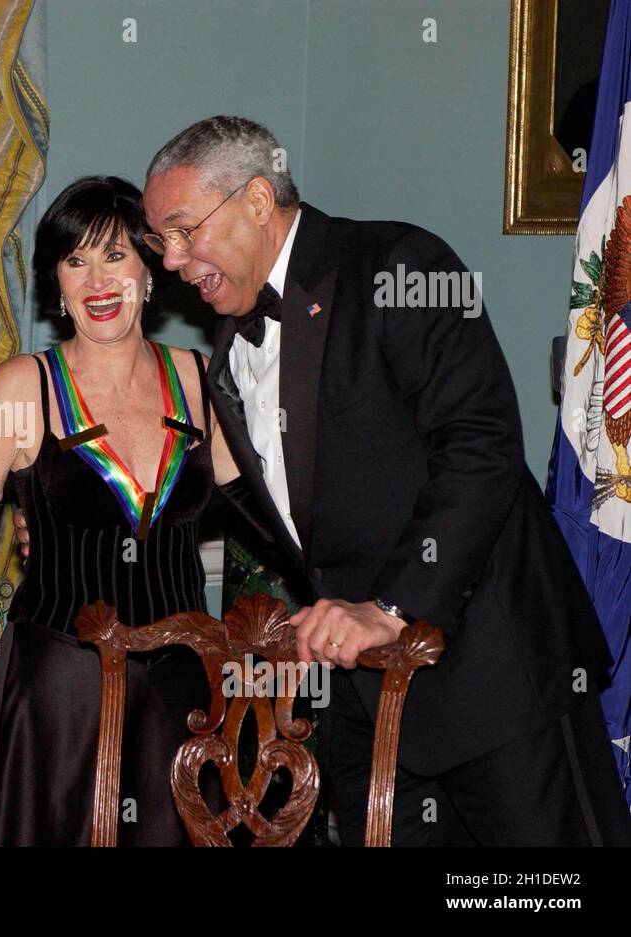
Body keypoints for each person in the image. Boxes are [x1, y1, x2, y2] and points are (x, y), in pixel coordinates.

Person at [138, 114, 631, 845]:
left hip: (496, 683)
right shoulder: (228, 342)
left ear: (255, 200)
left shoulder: (399, 261)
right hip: (369, 711)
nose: (172, 260)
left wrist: (394, 607)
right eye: (160, 241)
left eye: (183, 231)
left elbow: (482, 447)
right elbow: (271, 503)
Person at [0, 175, 238, 845]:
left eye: (115, 255)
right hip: (61, 693)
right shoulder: (23, 384)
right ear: (55, 283)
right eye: (75, 260)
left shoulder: (199, 377)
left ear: (152, 268)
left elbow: (264, 510)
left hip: (181, 693)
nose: (97, 280)